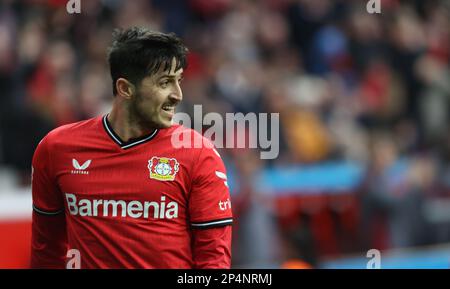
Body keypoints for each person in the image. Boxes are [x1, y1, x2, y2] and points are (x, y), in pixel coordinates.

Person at [30, 27, 233, 269]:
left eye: (179, 81)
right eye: (165, 82)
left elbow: (213, 260)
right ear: (125, 88)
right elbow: (47, 251)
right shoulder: (56, 149)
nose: (177, 95)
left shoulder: (199, 154)